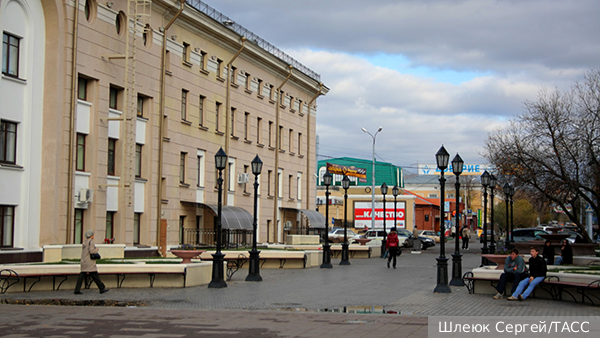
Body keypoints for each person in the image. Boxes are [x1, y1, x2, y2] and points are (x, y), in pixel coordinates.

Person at [74, 230, 109, 295]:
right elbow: (92, 251)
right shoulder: (91, 242)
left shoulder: (85, 242)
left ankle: (77, 289)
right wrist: (96, 250)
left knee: (82, 275)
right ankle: (101, 288)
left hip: (84, 261)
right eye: (93, 235)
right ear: (91, 235)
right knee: (95, 275)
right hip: (89, 262)